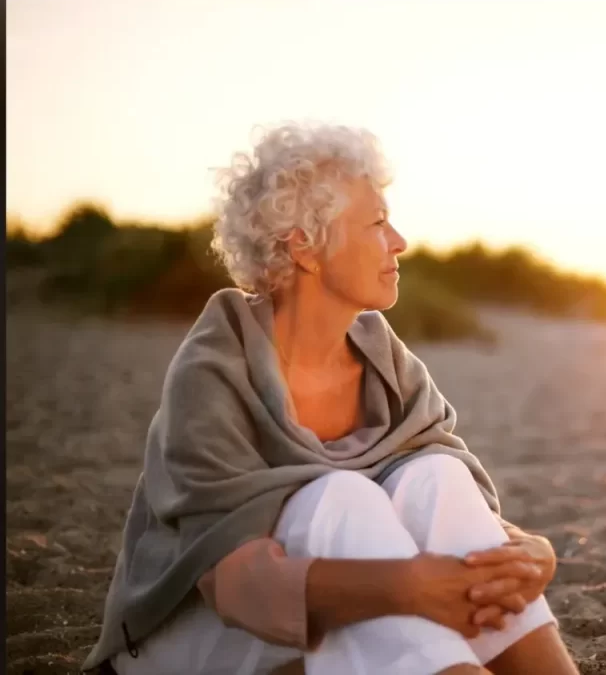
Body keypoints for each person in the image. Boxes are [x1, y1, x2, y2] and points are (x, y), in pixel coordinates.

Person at [82, 123, 579, 675]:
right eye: (376, 223)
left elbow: (454, 516)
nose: (399, 242)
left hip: (340, 613)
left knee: (436, 475)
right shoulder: (215, 370)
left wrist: (532, 552)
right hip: (197, 636)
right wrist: (406, 587)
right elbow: (234, 583)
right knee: (341, 496)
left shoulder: (384, 360)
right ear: (305, 246)